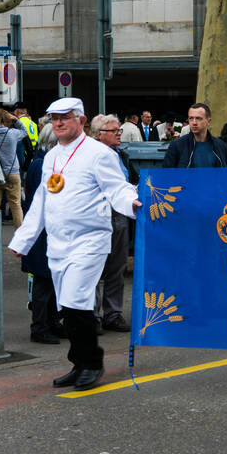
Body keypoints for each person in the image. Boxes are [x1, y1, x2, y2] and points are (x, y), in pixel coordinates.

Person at [9, 98, 140, 390]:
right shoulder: (52, 156)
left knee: (77, 302)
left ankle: (91, 363)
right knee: (66, 306)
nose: (58, 123)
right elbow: (41, 201)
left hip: (89, 242)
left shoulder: (98, 153)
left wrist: (132, 202)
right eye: (54, 118)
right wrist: (24, 240)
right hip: (58, 244)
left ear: (81, 121)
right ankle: (79, 363)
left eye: (65, 118)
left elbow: (116, 188)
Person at [90, 115, 134, 332]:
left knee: (117, 268)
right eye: (114, 130)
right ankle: (93, 315)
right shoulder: (92, 157)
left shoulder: (120, 155)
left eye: (119, 130)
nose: (119, 133)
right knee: (95, 269)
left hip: (119, 217)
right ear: (99, 135)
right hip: (99, 218)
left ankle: (112, 314)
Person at [21, 124, 63, 344]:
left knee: (51, 280)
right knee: (43, 282)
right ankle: (40, 326)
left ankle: (52, 322)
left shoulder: (43, 162)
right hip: (43, 233)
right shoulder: (42, 165)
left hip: (48, 231)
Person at [163, 103, 227, 168]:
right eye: (191, 118)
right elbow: (167, 175)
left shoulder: (220, 146)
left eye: (198, 118)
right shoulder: (177, 145)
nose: (194, 122)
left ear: (208, 121)